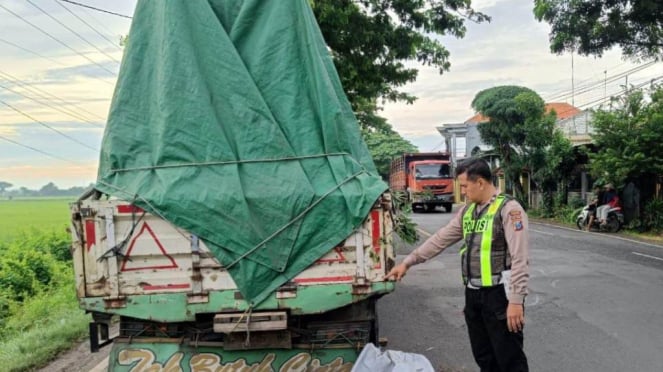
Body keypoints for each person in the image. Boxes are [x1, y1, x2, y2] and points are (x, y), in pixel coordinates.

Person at [387, 158, 529, 372]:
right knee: (484, 357)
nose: (462, 192)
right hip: (474, 296)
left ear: (480, 183)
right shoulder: (468, 211)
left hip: (500, 296)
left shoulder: (509, 209)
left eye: (464, 186)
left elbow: (520, 259)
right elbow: (440, 239)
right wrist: (408, 262)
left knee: (509, 360)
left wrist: (516, 301)